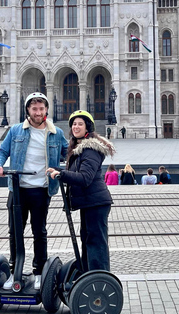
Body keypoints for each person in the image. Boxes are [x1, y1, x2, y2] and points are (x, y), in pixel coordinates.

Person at [0, 92, 69, 290]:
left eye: (41, 109)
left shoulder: (56, 133)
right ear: (28, 110)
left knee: (39, 232)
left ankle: (39, 272)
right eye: (34, 109)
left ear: (46, 110)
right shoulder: (16, 131)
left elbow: (70, 154)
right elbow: (2, 151)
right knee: (15, 232)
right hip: (18, 189)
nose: (38, 112)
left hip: (41, 189)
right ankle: (13, 272)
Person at [47, 110, 114, 272]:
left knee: (96, 241)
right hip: (89, 202)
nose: (76, 127)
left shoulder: (91, 149)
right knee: (88, 238)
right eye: (74, 124)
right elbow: (77, 172)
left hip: (96, 203)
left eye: (80, 124)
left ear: (88, 128)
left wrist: (61, 175)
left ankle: (99, 279)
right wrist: (58, 170)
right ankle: (89, 276)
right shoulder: (79, 148)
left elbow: (84, 178)